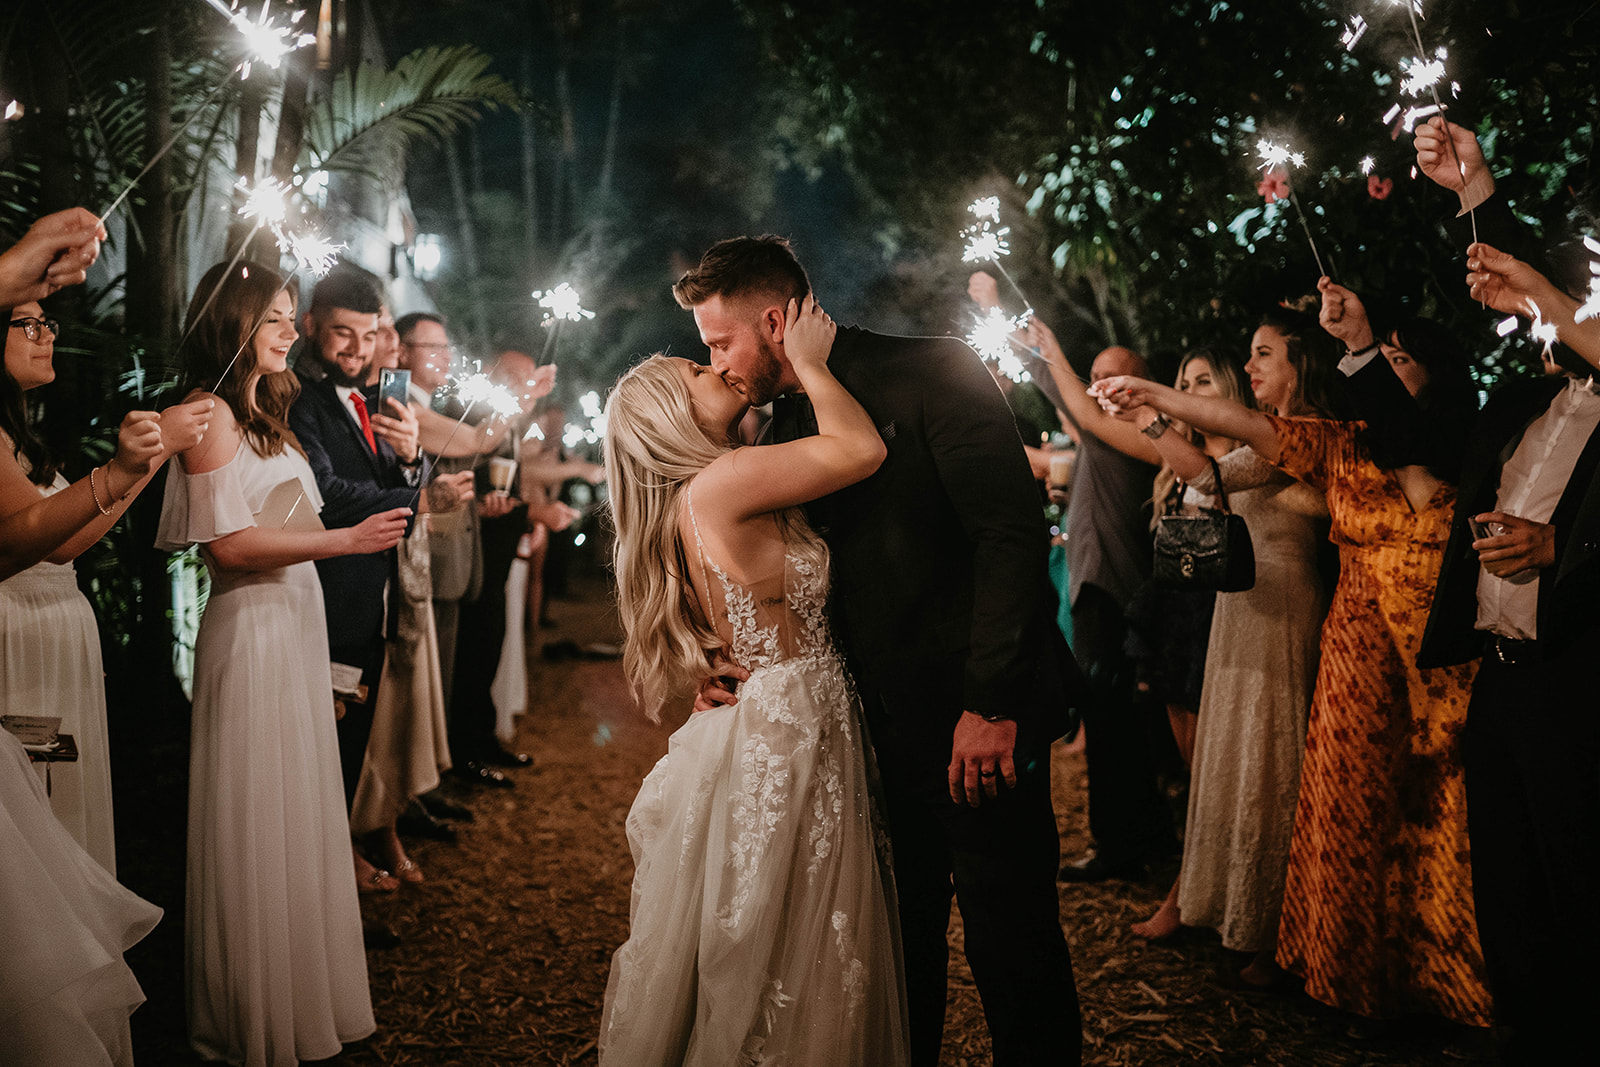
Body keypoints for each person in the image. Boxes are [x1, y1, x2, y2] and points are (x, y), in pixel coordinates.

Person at [680, 236, 1081, 1066]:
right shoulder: (788, 421)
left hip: (973, 722)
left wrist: (991, 702)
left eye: (720, 342)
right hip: (861, 739)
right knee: (895, 955)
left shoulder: (935, 368)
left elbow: (1008, 538)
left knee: (1013, 945)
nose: (716, 362)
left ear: (775, 321)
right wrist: (735, 670)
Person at [1097, 302, 1492, 1024]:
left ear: (1436, 377)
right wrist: (1153, 398)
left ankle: (1439, 977)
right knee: (1348, 812)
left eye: (1400, 360)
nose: (1384, 370)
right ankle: (1344, 974)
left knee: (1436, 813)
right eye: (1379, 358)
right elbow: (1240, 437)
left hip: (1437, 654)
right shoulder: (1335, 442)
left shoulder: (1464, 449)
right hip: (1356, 647)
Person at [599, 294, 907, 1064]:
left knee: (789, 923)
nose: (718, 368)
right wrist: (810, 363)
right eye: (698, 369)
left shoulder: (706, 488)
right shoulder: (726, 481)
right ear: (672, 414)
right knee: (792, 930)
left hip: (784, 710)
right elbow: (861, 449)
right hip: (787, 721)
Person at [157, 259, 407, 1064]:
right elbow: (229, 548)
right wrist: (347, 540)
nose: (290, 331)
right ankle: (251, 1014)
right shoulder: (207, 415)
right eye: (274, 318)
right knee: (257, 809)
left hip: (296, 618)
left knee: (300, 802)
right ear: (232, 323)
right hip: (252, 629)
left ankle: (302, 995)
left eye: (291, 316)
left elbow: (291, 527)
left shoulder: (269, 417)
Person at [1412, 118, 1600, 1062]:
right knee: (1510, 884)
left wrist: (1558, 545)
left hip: (1580, 679)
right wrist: (1472, 189)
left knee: (1581, 886)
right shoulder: (1531, 401)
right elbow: (1522, 281)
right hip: (1501, 679)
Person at [1093, 306, 1334, 986]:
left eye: (1264, 354)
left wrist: (1149, 408)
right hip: (1241, 602)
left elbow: (1210, 477)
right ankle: (1236, 910)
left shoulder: (1307, 432)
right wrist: (1150, 418)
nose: (1249, 365)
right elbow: (1205, 476)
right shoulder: (1269, 431)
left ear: (1300, 365)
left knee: (1274, 756)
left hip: (1282, 601)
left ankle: (1282, 929)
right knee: (1236, 754)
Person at [0, 302, 211, 872]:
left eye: (48, 323)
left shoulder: (16, 434)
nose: (46, 335)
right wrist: (135, 462)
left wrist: (150, 457)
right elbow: (53, 542)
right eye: (28, 324)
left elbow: (80, 532)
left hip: (49, 629)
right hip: (18, 634)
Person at [288, 265, 469, 896]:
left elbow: (398, 481)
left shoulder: (370, 401)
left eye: (368, 337)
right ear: (310, 326)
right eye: (343, 333)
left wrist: (414, 460)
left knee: (352, 741)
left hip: (374, 599)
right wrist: (418, 498)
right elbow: (326, 494)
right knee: (323, 745)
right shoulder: (301, 402)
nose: (357, 350)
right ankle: (328, 870)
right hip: (329, 595)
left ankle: (343, 862)